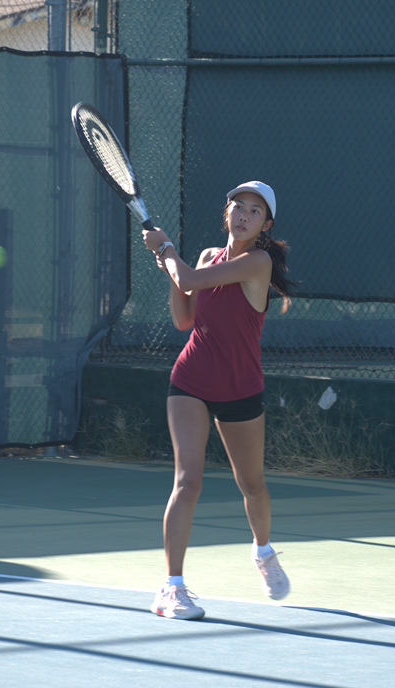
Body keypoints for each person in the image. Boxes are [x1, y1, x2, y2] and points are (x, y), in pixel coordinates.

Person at [142, 181, 296, 620]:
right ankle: (171, 588)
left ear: (265, 225)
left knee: (253, 485)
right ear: (226, 212)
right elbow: (183, 318)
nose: (244, 214)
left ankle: (263, 551)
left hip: (241, 388)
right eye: (238, 206)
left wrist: (170, 252)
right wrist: (169, 267)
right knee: (188, 481)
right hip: (190, 381)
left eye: (255, 210)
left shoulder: (258, 262)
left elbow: (188, 276)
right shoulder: (209, 257)